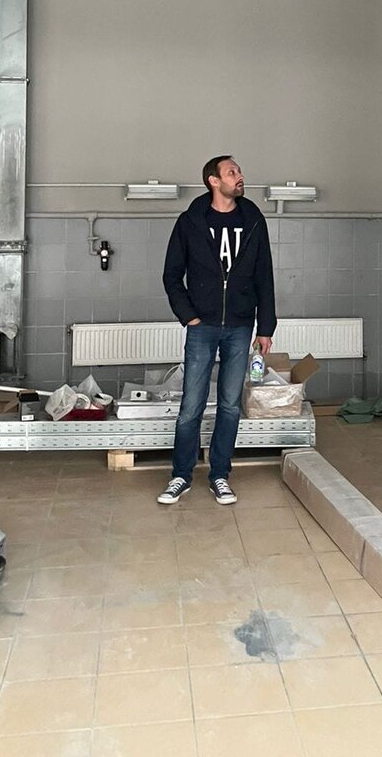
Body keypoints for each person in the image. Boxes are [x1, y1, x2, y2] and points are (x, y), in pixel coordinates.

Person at [159, 155, 276, 505]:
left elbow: (264, 276)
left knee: (229, 405)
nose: (240, 176)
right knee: (191, 406)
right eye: (232, 172)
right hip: (202, 326)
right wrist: (189, 317)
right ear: (214, 180)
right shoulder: (191, 221)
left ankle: (220, 475)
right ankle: (180, 476)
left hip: (240, 326)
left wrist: (265, 327)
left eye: (239, 171)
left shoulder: (253, 220)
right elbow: (171, 275)